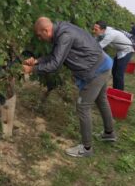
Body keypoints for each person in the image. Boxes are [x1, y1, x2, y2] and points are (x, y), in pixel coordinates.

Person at [22, 17, 116, 158]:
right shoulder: (61, 30)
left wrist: (31, 70)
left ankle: (86, 148)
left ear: (46, 30)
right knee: (101, 100)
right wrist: (36, 61)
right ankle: (109, 134)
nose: (40, 39)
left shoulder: (64, 36)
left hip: (96, 70)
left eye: (40, 36)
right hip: (103, 63)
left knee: (83, 106)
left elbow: (55, 64)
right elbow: (55, 55)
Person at [93, 21, 135, 90]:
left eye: (96, 30)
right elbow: (95, 40)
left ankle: (120, 92)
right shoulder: (104, 31)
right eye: (93, 29)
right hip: (120, 51)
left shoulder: (110, 35)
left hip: (127, 51)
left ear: (103, 30)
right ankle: (115, 89)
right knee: (114, 71)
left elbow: (98, 46)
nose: (94, 31)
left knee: (119, 74)